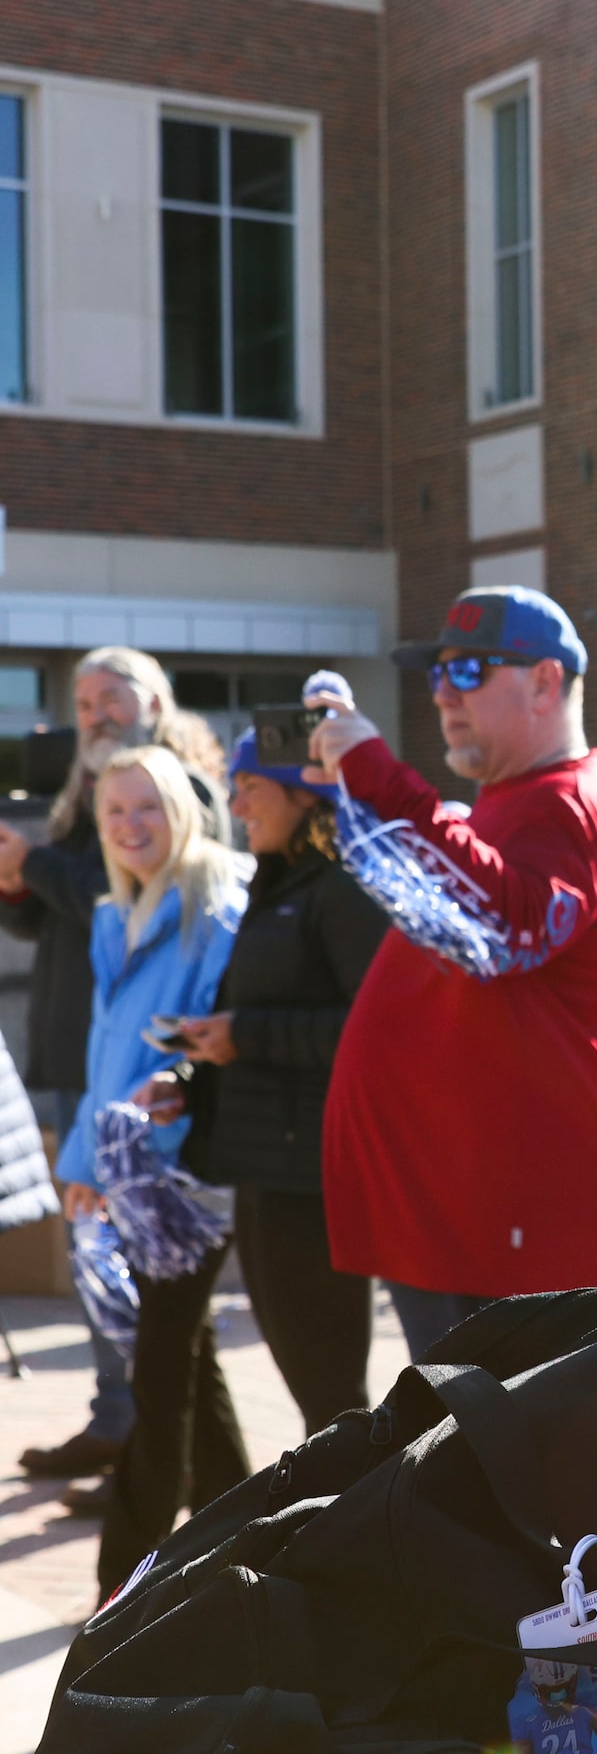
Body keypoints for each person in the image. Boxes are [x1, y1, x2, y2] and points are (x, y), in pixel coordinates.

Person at [306, 586, 597, 1360]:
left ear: (544, 682)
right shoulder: (509, 802)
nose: (442, 695)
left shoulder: (574, 805)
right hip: (470, 1221)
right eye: (436, 675)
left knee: (521, 1472)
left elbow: (507, 928)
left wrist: (375, 772)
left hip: (532, 1232)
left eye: (468, 671)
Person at [0, 647, 217, 1482]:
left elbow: (115, 890)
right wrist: (18, 885)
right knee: (97, 1246)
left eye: (112, 698)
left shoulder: (175, 787)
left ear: (156, 702)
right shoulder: (82, 790)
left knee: (140, 1257)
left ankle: (147, 1443)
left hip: (143, 1062)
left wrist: (37, 865)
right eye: (84, 701)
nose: (94, 713)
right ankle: (120, 1423)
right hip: (77, 1040)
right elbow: (56, 920)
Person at [151, 720, 391, 1433]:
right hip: (264, 1169)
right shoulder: (275, 881)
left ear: (302, 794)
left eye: (250, 787)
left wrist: (245, 1036)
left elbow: (372, 1029)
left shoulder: (345, 887)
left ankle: (356, 1527)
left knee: (330, 1393)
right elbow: (250, 1015)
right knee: (310, 1388)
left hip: (314, 1179)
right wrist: (191, 1077)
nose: (238, 805)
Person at [55, 745, 249, 1591]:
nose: (132, 826)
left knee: (159, 1375)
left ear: (183, 807)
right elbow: (105, 1058)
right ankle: (252, 1537)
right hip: (127, 1175)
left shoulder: (217, 897)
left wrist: (124, 1153)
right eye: (114, 813)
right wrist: (84, 1161)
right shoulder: (118, 913)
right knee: (187, 1362)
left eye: (148, 806)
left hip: (185, 1181)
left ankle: (119, 1590)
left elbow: (202, 1048)